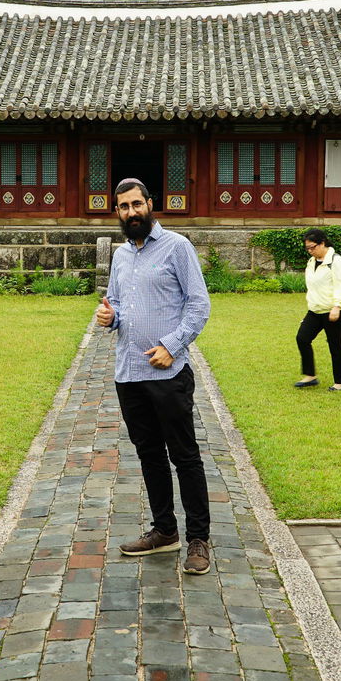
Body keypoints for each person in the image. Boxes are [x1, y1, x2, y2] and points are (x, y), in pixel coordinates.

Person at [95, 178, 213, 575]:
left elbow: (199, 305)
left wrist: (172, 345)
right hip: (128, 373)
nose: (131, 213)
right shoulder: (120, 256)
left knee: (184, 456)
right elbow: (117, 305)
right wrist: (110, 318)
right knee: (149, 456)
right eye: (123, 207)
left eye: (136, 204)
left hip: (168, 373)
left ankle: (199, 538)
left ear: (150, 204)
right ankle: (165, 530)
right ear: (117, 212)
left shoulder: (177, 247)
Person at [294, 228, 341, 390]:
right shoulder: (311, 262)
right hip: (315, 310)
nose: (310, 251)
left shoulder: (336, 261)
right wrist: (310, 308)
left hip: (333, 310)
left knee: (335, 345)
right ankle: (310, 375)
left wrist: (337, 306)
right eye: (308, 248)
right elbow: (313, 288)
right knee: (302, 338)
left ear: (323, 243)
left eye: (313, 247)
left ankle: (340, 382)